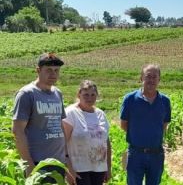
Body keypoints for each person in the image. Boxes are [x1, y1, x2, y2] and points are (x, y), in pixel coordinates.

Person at [12, 52, 68, 183]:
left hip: (58, 162)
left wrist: (66, 158)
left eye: (56, 70)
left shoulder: (57, 93)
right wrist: (29, 165)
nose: (53, 74)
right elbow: (17, 131)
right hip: (38, 163)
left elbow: (60, 126)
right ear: (38, 70)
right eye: (48, 70)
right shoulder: (26, 94)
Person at [120, 64, 171, 185]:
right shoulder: (130, 99)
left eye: (155, 77)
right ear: (141, 78)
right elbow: (123, 124)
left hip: (156, 154)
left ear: (159, 79)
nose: (151, 80)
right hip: (135, 154)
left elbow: (164, 124)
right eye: (148, 76)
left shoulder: (165, 101)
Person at [62, 80, 112, 185]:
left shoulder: (101, 114)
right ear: (78, 94)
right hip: (78, 168)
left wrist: (108, 167)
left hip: (99, 168)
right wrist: (68, 168)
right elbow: (62, 143)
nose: (90, 98)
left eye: (93, 94)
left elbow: (106, 142)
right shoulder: (71, 113)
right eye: (86, 95)